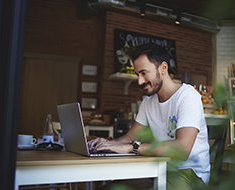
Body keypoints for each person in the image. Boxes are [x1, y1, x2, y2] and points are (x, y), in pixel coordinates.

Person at [88, 43, 210, 190]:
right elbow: (130, 136)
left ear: (163, 68)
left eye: (144, 73)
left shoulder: (188, 97)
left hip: (190, 175)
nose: (140, 81)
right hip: (159, 170)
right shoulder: (148, 101)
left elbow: (181, 150)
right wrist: (110, 145)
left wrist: (131, 148)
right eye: (138, 74)